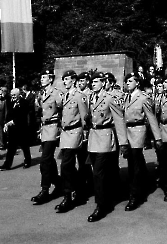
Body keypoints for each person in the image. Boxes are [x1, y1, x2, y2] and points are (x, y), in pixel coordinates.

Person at [86, 72, 128, 222]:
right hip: (93, 138)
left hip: (105, 138)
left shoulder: (110, 98)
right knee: (97, 173)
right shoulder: (90, 97)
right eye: (92, 82)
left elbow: (119, 120)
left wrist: (123, 143)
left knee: (98, 173)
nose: (93, 84)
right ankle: (106, 198)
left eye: (96, 81)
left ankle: (101, 206)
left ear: (103, 83)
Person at [123, 72, 163, 211]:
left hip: (138, 130)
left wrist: (157, 137)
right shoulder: (126, 97)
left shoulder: (143, 98)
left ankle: (135, 195)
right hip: (127, 131)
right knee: (134, 162)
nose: (127, 83)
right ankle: (142, 185)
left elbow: (151, 118)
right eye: (126, 81)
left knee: (135, 162)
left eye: (130, 81)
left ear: (137, 83)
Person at [52, 70, 88, 213]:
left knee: (66, 164)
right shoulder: (65, 95)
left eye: (67, 79)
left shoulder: (80, 96)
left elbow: (85, 117)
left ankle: (67, 196)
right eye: (63, 79)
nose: (64, 82)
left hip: (75, 131)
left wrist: (85, 134)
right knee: (69, 165)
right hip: (65, 132)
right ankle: (77, 190)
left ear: (73, 80)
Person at [31, 70, 63, 204]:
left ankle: (44, 190)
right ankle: (59, 183)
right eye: (41, 77)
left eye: (44, 77)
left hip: (53, 128)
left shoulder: (56, 93)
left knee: (45, 160)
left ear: (50, 79)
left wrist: (61, 128)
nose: (41, 79)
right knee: (49, 160)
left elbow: (62, 109)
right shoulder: (41, 94)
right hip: (44, 129)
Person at [0, 88, 32, 171]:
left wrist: (12, 122)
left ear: (18, 94)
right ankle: (7, 165)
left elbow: (23, 116)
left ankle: (28, 161)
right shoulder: (10, 102)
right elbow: (8, 114)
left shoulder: (25, 102)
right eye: (11, 95)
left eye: (14, 95)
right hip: (12, 129)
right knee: (11, 148)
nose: (13, 96)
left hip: (21, 128)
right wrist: (6, 124)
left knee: (25, 146)